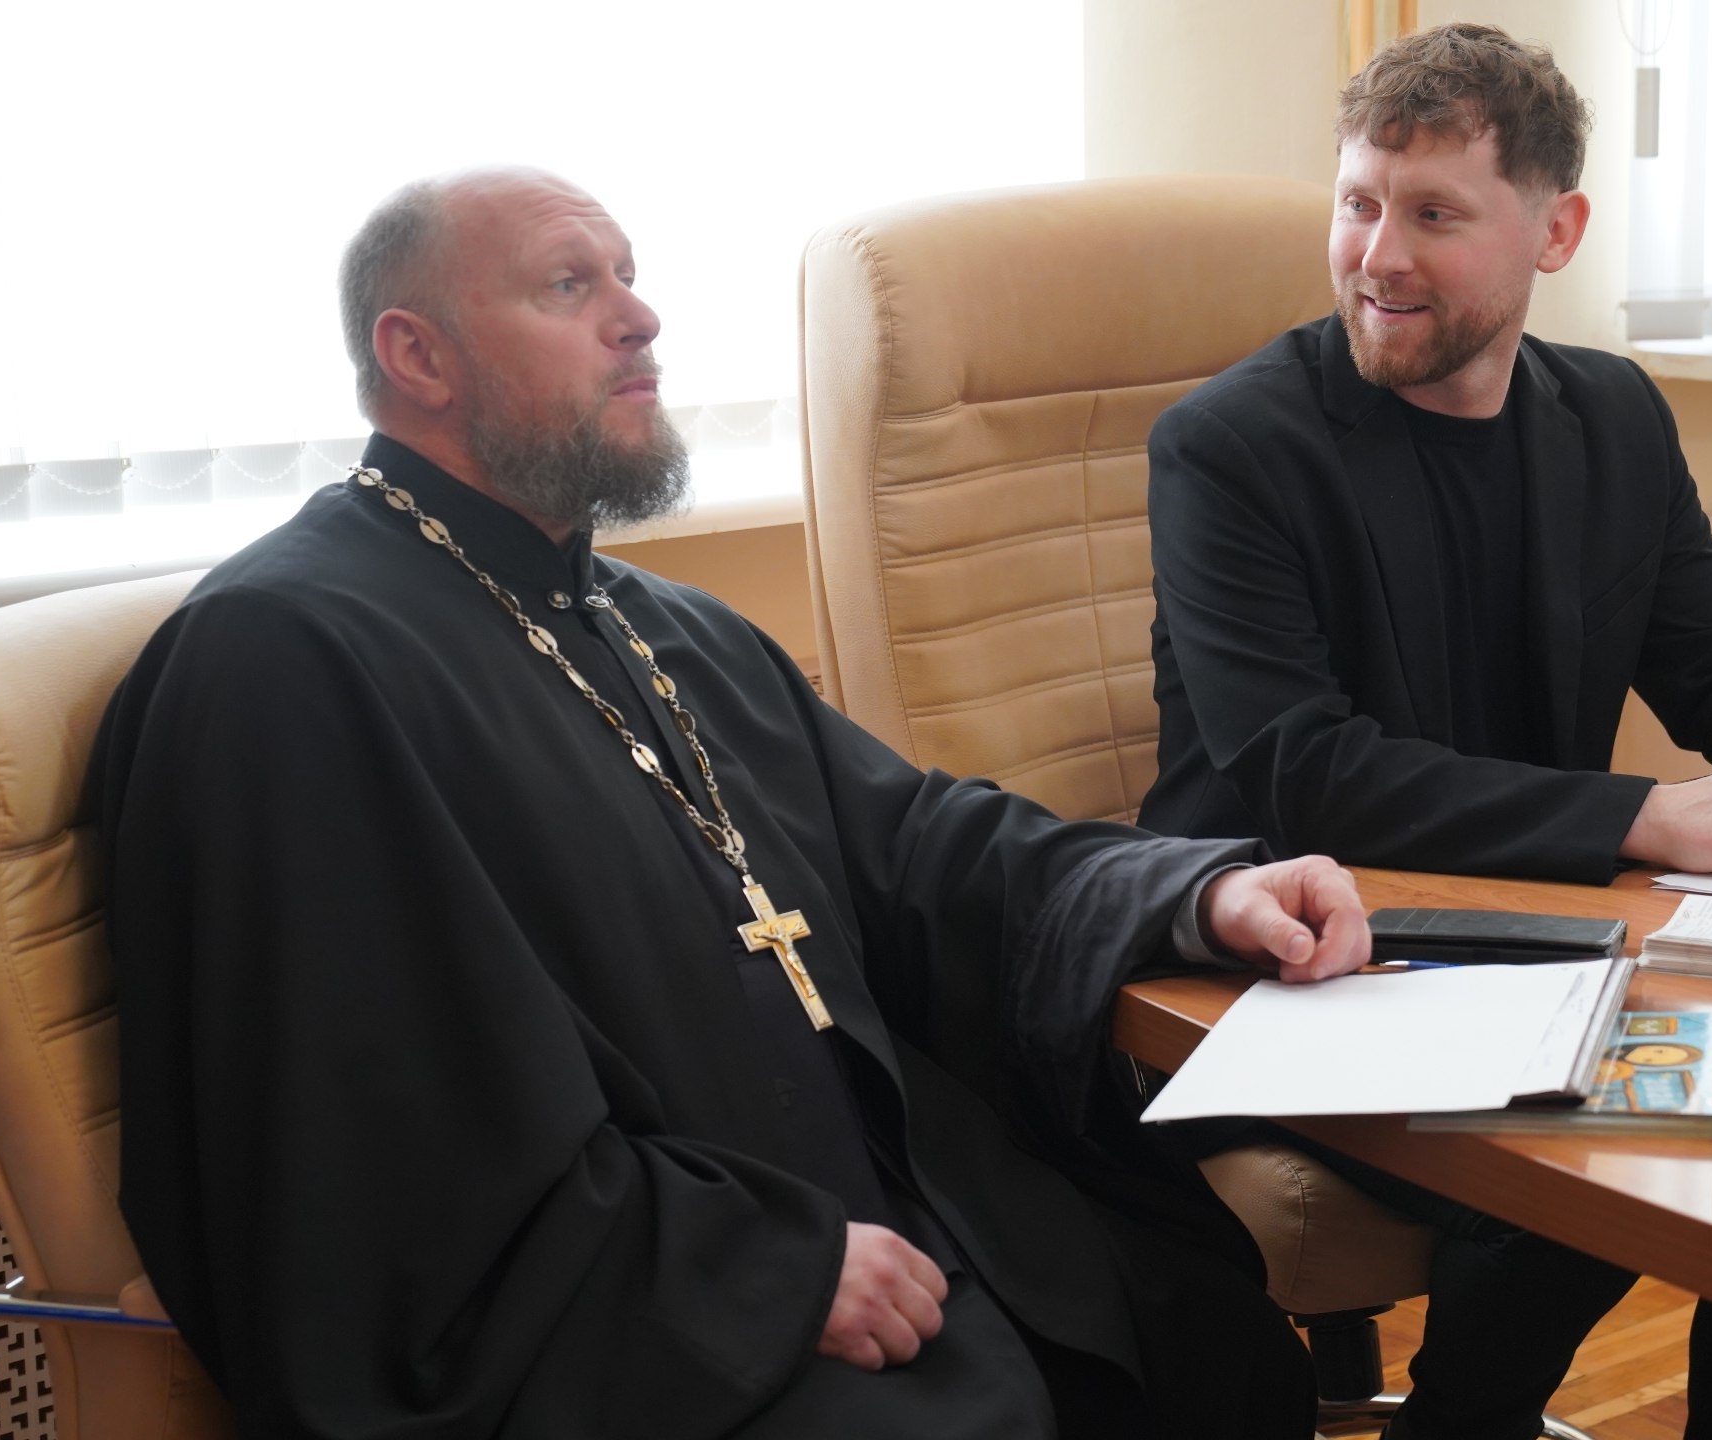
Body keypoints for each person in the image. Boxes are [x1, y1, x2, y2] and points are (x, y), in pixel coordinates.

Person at [90, 167, 1373, 1440]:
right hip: (645, 1305)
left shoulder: (656, 622)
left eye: (629, 277)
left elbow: (915, 847)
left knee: (1202, 1337)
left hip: (876, 1209)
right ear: (416, 354)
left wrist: (1197, 890)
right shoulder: (284, 656)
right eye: (568, 285)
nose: (638, 317)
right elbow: (365, 1130)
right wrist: (757, 1271)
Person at [1140, 24, 1712, 1440]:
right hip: (1294, 956)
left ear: (1554, 231)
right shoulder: (1230, 448)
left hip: (1537, 947)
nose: (1378, 255)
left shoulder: (1608, 414)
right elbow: (1305, 773)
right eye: (1359, 202)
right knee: (1613, 1171)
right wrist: (1648, 815)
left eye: (1433, 215)